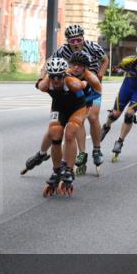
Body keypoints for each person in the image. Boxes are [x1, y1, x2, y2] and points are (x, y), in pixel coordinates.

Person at [21, 24, 108, 174]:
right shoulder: (63, 50)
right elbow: (48, 64)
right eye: (72, 41)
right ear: (68, 41)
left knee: (92, 117)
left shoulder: (93, 47)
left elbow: (105, 59)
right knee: (59, 126)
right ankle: (71, 153)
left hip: (91, 87)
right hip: (72, 87)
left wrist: (100, 73)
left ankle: (96, 149)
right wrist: (42, 77)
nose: (75, 44)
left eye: (78, 40)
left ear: (83, 39)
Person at [36, 56, 88, 196]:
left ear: (64, 74)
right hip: (59, 108)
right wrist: (42, 74)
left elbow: (84, 83)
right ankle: (57, 170)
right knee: (55, 133)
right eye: (53, 77)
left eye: (59, 76)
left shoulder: (73, 83)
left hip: (77, 108)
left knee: (70, 132)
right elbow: (40, 81)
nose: (56, 80)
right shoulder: (45, 85)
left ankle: (69, 171)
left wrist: (83, 81)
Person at [66, 51, 104, 176]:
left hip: (92, 95)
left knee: (93, 118)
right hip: (78, 96)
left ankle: (97, 150)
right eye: (74, 65)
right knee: (78, 122)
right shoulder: (67, 73)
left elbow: (98, 93)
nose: (76, 67)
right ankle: (82, 153)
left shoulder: (91, 78)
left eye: (80, 65)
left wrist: (82, 101)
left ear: (85, 67)